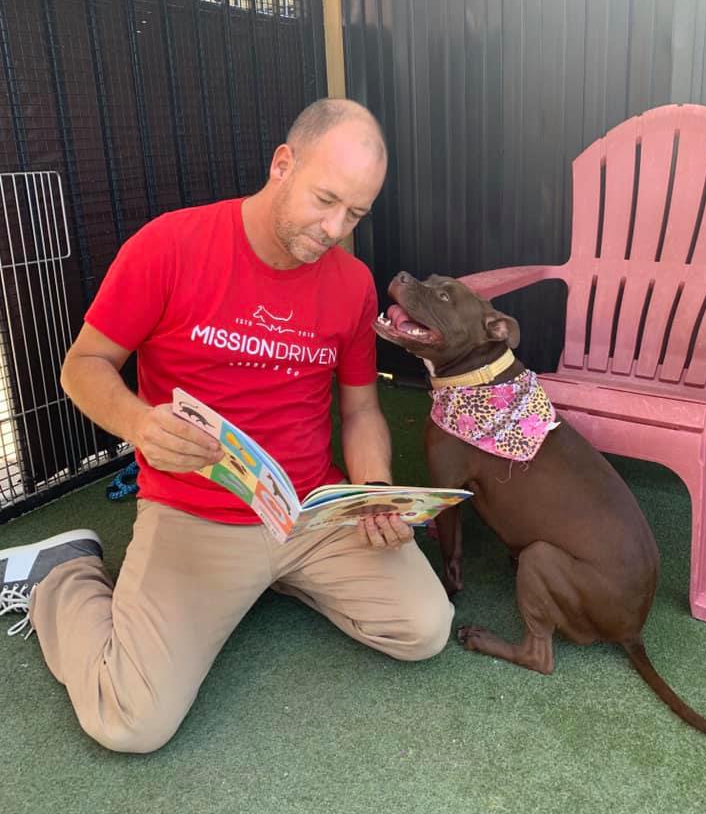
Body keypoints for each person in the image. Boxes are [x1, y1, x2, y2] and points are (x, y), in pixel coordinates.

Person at [0, 98, 453, 753]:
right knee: (130, 721)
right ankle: (61, 576)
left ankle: (268, 578)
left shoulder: (352, 284)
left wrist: (375, 487)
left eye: (355, 214)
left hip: (310, 512)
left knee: (425, 628)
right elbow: (82, 366)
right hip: (195, 511)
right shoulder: (169, 245)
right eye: (325, 199)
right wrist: (138, 422)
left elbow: (360, 410)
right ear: (282, 165)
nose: (334, 228)